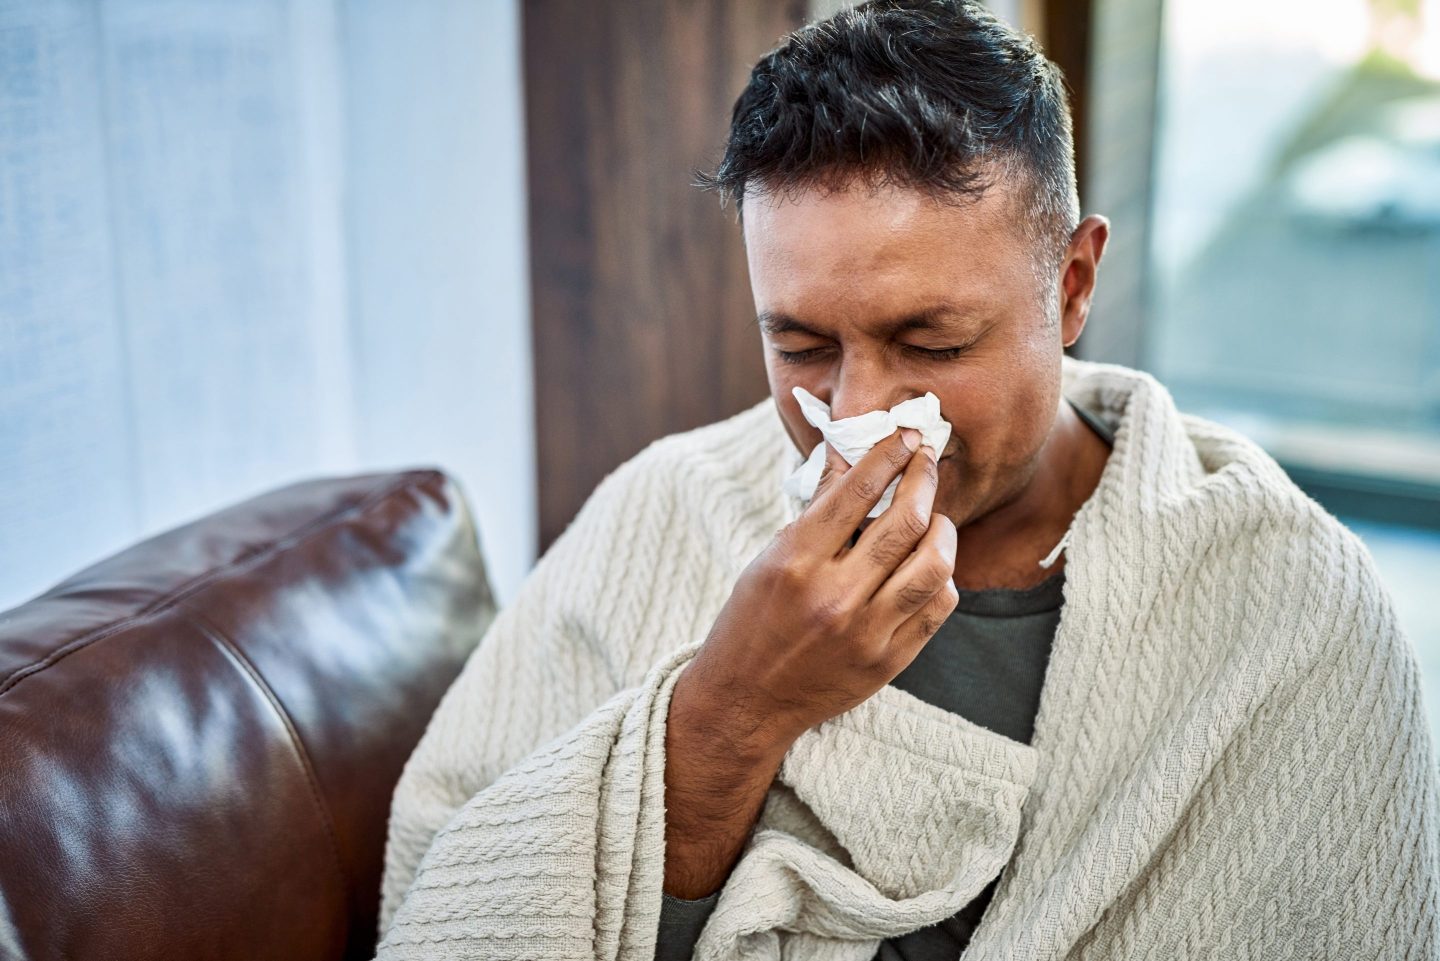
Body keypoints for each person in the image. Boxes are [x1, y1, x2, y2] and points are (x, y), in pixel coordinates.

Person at [374, 2, 1440, 959]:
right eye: (799, 346)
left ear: (1071, 288)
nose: (856, 416)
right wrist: (732, 709)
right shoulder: (668, 511)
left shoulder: (1286, 604)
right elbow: (447, 902)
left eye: (931, 344)